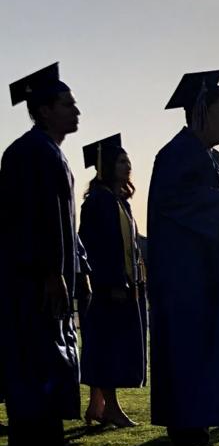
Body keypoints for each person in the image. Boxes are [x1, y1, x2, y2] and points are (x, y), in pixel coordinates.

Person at [148, 70, 219, 446]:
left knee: (203, 362)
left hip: (207, 285)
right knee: (187, 363)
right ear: (200, 112)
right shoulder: (176, 154)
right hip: (186, 286)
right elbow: (178, 202)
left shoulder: (207, 158)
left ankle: (199, 445)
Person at [1, 63, 98, 446]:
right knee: (38, 364)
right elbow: (27, 221)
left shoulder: (48, 151)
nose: (75, 111)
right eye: (66, 104)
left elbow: (63, 222)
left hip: (43, 277)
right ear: (42, 110)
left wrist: (78, 269)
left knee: (45, 363)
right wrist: (51, 272)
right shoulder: (30, 153)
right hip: (32, 282)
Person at [79, 134, 146, 428]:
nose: (127, 165)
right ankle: (112, 409)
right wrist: (113, 282)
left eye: (128, 160)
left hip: (123, 286)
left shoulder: (120, 203)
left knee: (105, 346)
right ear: (106, 165)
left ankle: (97, 405)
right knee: (106, 347)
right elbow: (95, 247)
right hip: (107, 289)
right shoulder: (97, 201)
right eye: (120, 161)